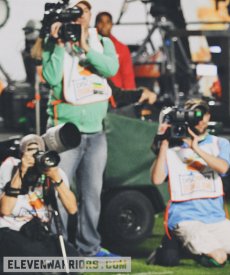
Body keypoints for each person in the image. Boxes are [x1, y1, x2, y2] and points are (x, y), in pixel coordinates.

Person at [42, 0, 119, 256]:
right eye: (73, 11)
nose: (78, 16)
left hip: (96, 133)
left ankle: (89, 247)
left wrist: (86, 46)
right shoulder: (53, 42)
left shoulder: (101, 41)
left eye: (83, 11)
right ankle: (58, 247)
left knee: (92, 195)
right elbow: (51, 78)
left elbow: (111, 68)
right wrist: (59, 46)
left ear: (90, 15)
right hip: (64, 134)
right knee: (59, 192)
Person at [150, 99, 230, 267]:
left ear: (208, 115)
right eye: (194, 115)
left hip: (215, 218)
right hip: (186, 217)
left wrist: (196, 149)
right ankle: (182, 245)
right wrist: (163, 142)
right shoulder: (173, 146)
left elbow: (222, 168)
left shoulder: (219, 143)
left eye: (203, 114)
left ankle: (201, 246)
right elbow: (156, 179)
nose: (200, 120)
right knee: (218, 259)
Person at [0, 135, 79, 269]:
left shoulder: (51, 170)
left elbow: (72, 209)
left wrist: (56, 178)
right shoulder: (11, 166)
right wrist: (21, 171)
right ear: (21, 154)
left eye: (40, 151)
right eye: (31, 150)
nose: (36, 155)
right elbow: (5, 210)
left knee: (73, 259)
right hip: (9, 230)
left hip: (38, 232)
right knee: (30, 261)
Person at [95, 11, 136, 90]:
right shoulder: (89, 46)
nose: (104, 25)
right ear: (96, 24)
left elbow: (127, 75)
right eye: (101, 22)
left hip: (116, 94)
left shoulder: (122, 48)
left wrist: (130, 97)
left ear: (111, 25)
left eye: (107, 22)